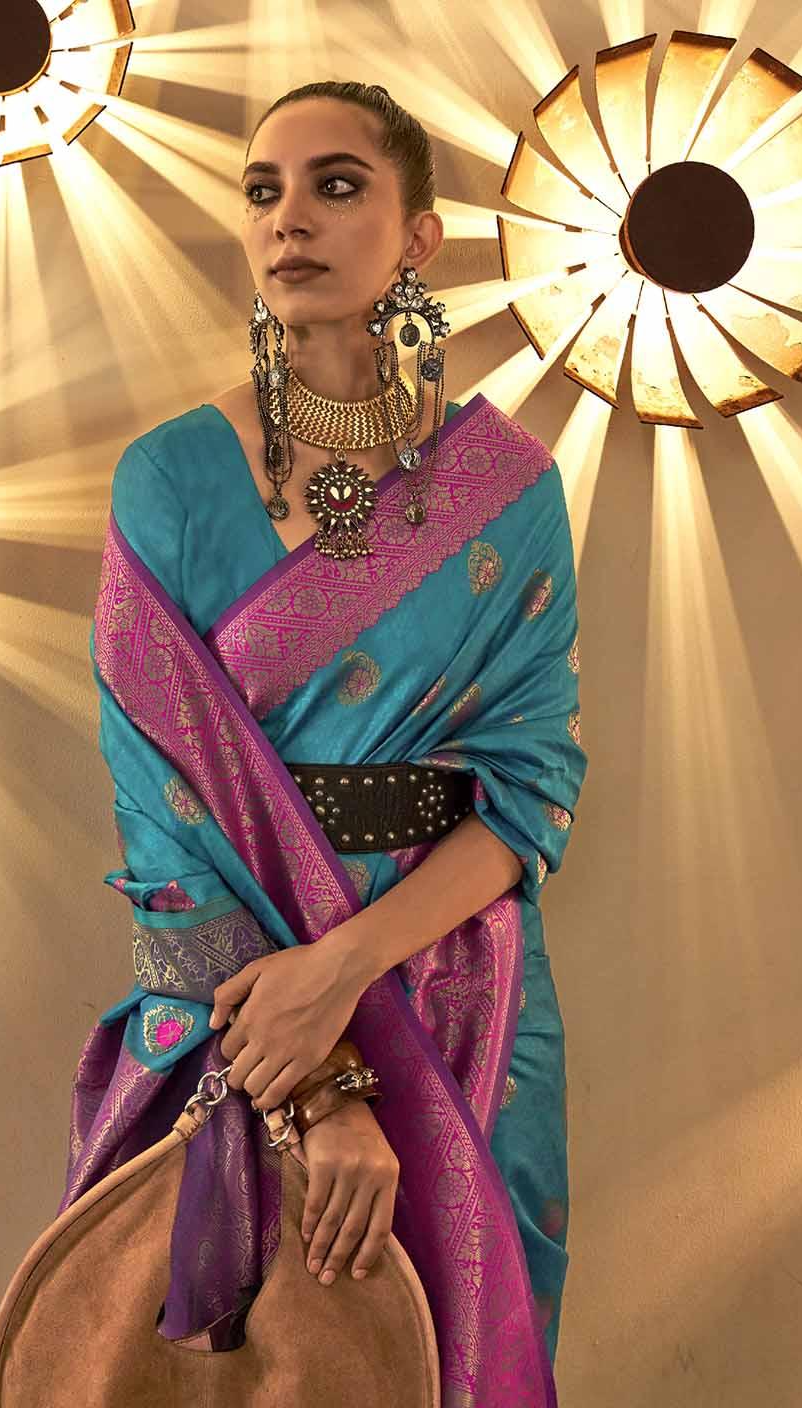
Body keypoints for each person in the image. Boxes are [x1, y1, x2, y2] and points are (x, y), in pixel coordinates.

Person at [58, 79, 587, 1406]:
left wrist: (344, 971)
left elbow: (533, 791)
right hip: (230, 1001)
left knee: (458, 1357)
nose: (288, 218)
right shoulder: (171, 480)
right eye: (264, 191)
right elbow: (158, 812)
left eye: (337, 185)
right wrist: (317, 1085)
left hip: (460, 986)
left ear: (419, 237)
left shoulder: (508, 490)